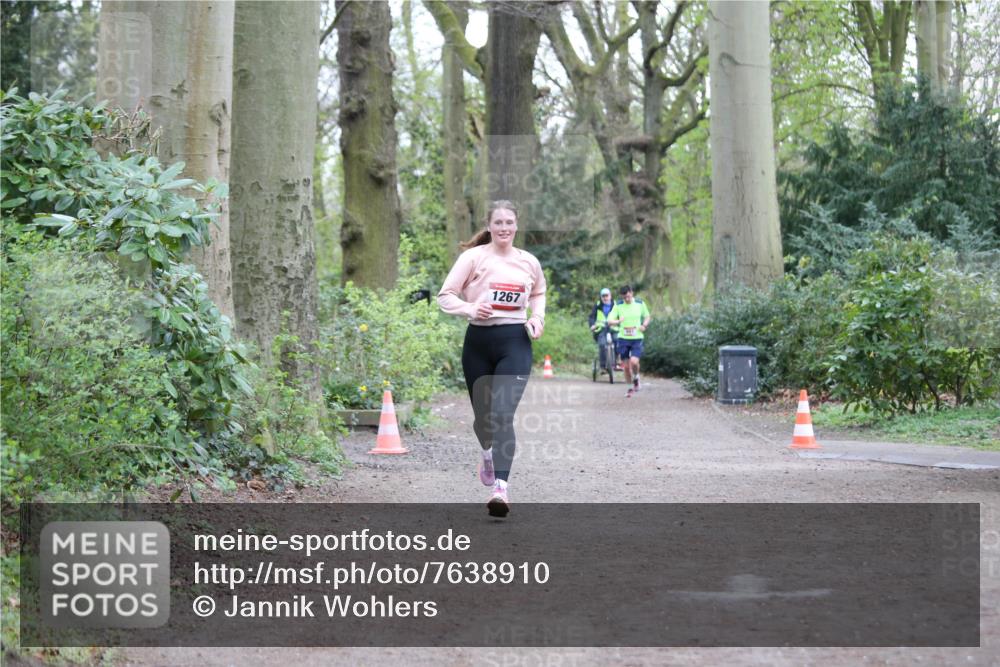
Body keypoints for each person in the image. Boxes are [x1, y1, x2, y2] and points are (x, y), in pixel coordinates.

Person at [437, 200, 546, 517]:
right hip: (478, 342)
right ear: (489, 225)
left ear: (516, 225)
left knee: (502, 414)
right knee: (483, 419)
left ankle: (501, 488)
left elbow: (539, 292)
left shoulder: (528, 262)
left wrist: (537, 318)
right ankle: (487, 453)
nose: (504, 228)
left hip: (515, 341)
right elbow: (446, 295)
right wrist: (470, 309)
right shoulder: (473, 257)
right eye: (498, 222)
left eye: (509, 222)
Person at [607, 285, 650, 397]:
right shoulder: (618, 305)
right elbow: (609, 321)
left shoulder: (640, 303)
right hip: (623, 338)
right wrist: (617, 321)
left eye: (628, 296)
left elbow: (647, 316)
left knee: (634, 362)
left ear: (632, 293)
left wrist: (644, 325)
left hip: (637, 338)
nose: (627, 299)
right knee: (626, 367)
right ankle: (630, 387)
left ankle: (636, 377)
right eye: (624, 297)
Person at [588, 287, 621, 371]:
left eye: (607, 296)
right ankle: (603, 366)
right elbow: (592, 316)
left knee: (617, 340)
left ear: (610, 296)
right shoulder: (598, 305)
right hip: (601, 328)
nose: (605, 298)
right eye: (603, 296)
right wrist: (592, 325)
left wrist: (619, 322)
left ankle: (617, 360)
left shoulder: (616, 305)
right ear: (601, 297)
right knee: (602, 344)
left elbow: (621, 316)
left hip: (614, 328)